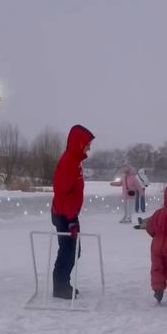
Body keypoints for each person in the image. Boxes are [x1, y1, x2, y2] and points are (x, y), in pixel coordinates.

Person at [51, 124, 95, 299]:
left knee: (73, 250)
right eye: (87, 143)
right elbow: (63, 193)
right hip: (64, 214)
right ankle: (59, 287)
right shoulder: (68, 162)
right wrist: (70, 219)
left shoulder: (75, 161)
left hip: (68, 214)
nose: (89, 147)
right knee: (68, 251)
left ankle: (64, 283)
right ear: (79, 143)